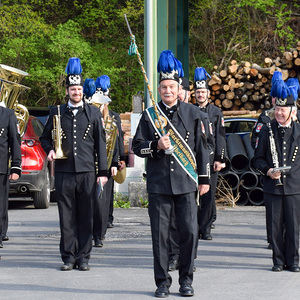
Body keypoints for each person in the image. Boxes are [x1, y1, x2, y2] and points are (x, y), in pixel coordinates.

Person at [132, 50, 210, 298]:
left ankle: (186, 280)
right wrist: (156, 146)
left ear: (179, 88)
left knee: (189, 233)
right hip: (159, 186)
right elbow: (136, 147)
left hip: (186, 184)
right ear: (159, 88)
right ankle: (162, 282)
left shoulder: (193, 114)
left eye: (172, 86)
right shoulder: (150, 116)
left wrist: (205, 179)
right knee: (160, 236)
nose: (167, 91)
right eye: (163, 87)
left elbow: (202, 148)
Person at [40, 57, 108, 271]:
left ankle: (84, 257)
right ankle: (68, 257)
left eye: (79, 88)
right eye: (73, 89)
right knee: (66, 216)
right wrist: (50, 150)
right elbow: (44, 138)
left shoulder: (94, 113)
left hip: (88, 172)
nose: (76, 92)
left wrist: (103, 172)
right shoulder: (56, 112)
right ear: (67, 90)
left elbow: (101, 144)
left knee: (86, 215)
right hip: (64, 172)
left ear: (82, 90)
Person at [168, 76, 214, 272]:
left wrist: (203, 176)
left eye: (179, 89)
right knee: (170, 222)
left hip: (189, 176)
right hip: (169, 178)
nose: (177, 93)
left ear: (186, 92)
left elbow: (207, 144)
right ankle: (173, 255)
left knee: (189, 223)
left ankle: (189, 257)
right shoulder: (164, 114)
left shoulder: (195, 114)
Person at [251, 72, 300, 249]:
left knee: (293, 227)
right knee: (276, 227)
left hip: (294, 186)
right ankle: (278, 260)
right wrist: (268, 170)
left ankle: (293, 259)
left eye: (283, 109)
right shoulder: (266, 125)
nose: (278, 112)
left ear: (292, 110)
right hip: (273, 185)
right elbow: (257, 154)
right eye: (277, 107)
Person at [194, 67, 226, 240]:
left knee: (208, 194)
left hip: (211, 157)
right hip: (194, 159)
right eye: (197, 92)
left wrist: (220, 158)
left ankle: (205, 229)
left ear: (208, 93)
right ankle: (194, 226)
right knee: (194, 194)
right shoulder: (189, 110)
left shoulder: (216, 112)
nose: (200, 95)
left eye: (203, 92)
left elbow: (221, 136)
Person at [94, 75, 126, 230]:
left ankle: (108, 217)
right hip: (95, 159)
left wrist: (120, 159)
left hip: (110, 157)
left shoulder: (114, 116)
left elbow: (118, 139)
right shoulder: (92, 115)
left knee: (108, 191)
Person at [0, 86, 22, 249]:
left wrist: (15, 166)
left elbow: (15, 142)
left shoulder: (7, 114)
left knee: (1, 203)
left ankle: (1, 233)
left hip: (1, 166)